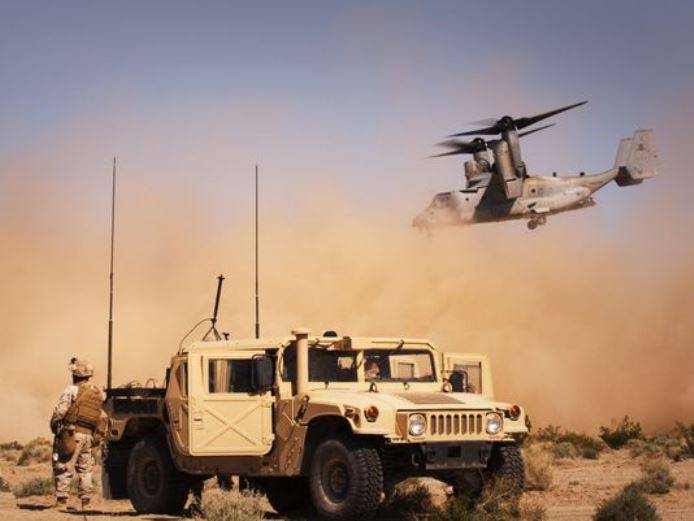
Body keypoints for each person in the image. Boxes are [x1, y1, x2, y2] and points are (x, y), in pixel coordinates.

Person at [50, 358, 107, 510]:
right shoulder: (98, 393)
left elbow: (60, 411)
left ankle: (62, 501)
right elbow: (102, 417)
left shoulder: (71, 390)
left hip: (71, 434)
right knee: (85, 469)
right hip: (88, 436)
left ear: (76, 375)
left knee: (63, 464)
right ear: (89, 375)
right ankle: (86, 502)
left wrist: (54, 425)